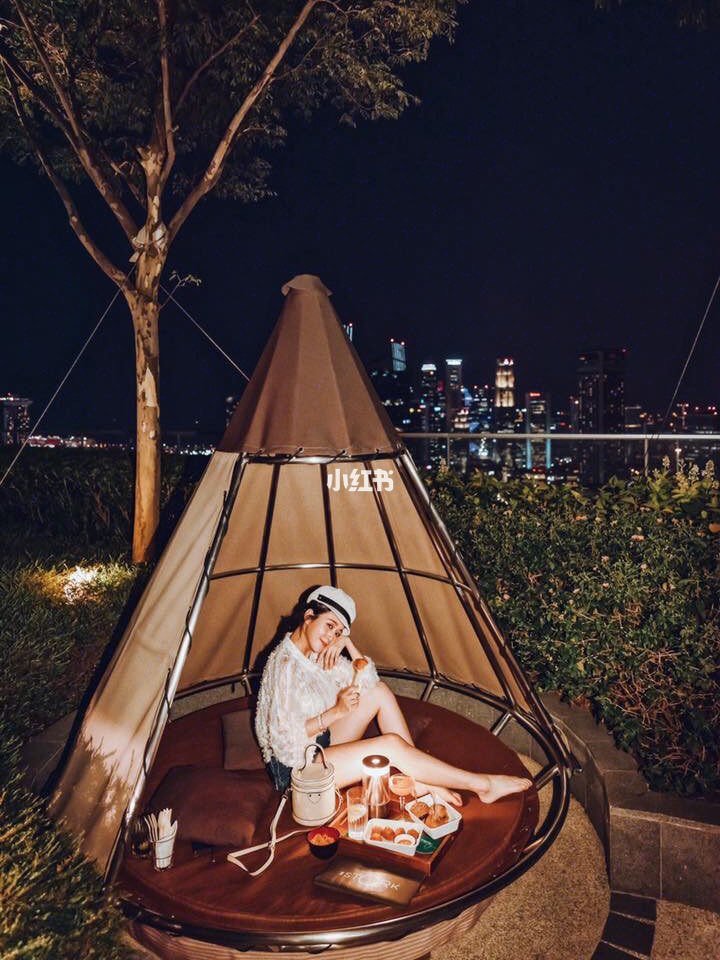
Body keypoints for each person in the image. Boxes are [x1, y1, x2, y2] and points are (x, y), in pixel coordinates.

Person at [255, 586, 532, 805]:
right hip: (297, 771)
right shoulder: (285, 666)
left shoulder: (315, 653)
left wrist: (349, 645)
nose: (331, 637)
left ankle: (421, 778)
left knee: (378, 692)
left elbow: (369, 681)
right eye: (329, 626)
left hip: (319, 743)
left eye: (338, 632)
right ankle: (482, 785)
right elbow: (287, 744)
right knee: (388, 746)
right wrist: (336, 713)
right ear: (308, 616)